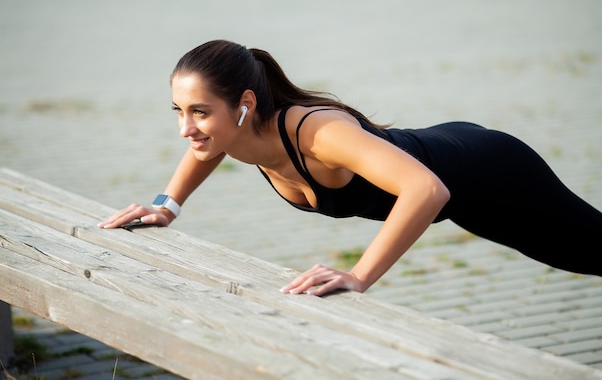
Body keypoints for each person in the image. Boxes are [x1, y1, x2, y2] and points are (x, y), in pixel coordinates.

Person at [98, 39, 602, 296]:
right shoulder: (235, 134)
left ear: (245, 104)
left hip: (489, 169)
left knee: (591, 252)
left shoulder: (314, 132)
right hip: (457, 188)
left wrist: (359, 276)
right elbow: (203, 150)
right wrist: (168, 206)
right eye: (179, 113)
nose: (187, 129)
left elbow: (426, 189)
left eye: (200, 112)